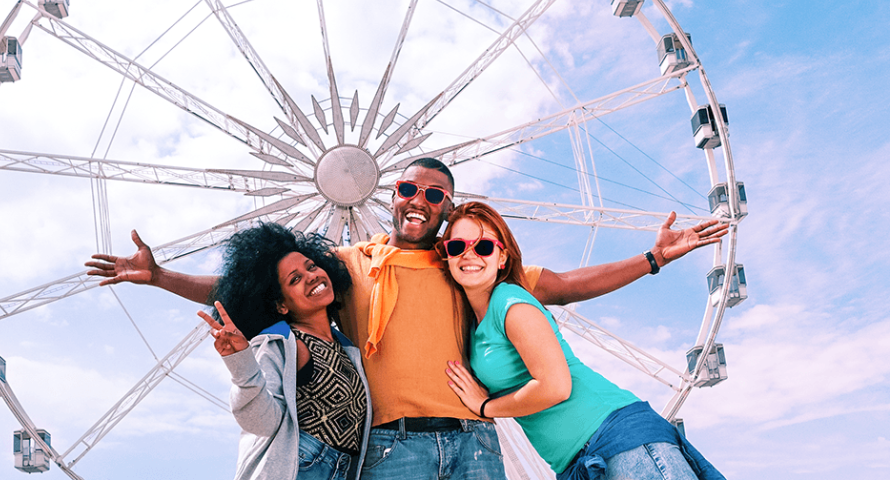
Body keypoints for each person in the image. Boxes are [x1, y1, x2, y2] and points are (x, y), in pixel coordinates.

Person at [85, 158, 728, 480]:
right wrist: (161, 275)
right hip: (392, 448)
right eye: (408, 189)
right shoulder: (345, 263)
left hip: (474, 441)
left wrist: (651, 258)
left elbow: (560, 287)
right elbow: (256, 292)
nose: (417, 200)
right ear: (392, 196)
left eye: (434, 196)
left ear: (448, 211)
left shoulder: (470, 264)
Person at [441, 201, 725, 480]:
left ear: (502, 257)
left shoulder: (511, 303)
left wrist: (485, 407)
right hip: (577, 462)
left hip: (616, 439)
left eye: (484, 246)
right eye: (457, 246)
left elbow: (556, 388)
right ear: (446, 255)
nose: (469, 255)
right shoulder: (474, 323)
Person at [195, 223, 371, 480]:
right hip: (300, 467)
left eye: (311, 266)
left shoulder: (347, 348)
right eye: (295, 279)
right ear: (281, 305)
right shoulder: (281, 344)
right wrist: (241, 364)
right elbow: (262, 423)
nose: (311, 276)